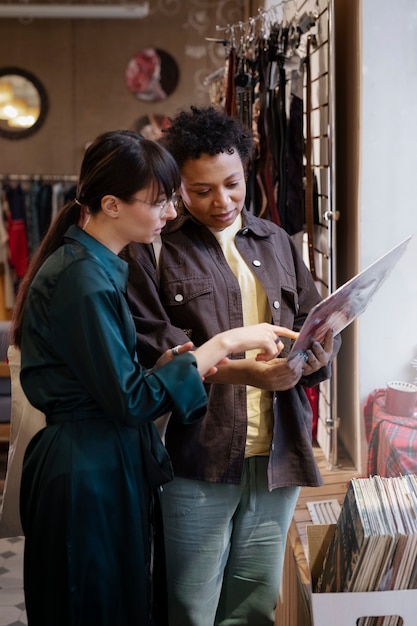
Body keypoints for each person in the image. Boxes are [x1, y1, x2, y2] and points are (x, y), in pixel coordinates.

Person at [11, 129, 288, 626]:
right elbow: (131, 400)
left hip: (102, 461)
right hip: (86, 471)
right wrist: (221, 344)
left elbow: (116, 382)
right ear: (112, 205)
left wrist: (168, 366)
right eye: (160, 201)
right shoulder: (82, 278)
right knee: (91, 604)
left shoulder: (96, 268)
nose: (170, 213)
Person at [121, 106, 341, 626]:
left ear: (246, 168)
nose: (221, 201)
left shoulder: (277, 242)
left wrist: (318, 352)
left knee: (254, 603)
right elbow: (160, 353)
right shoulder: (152, 251)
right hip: (197, 453)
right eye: (201, 191)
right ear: (177, 188)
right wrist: (251, 373)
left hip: (277, 453)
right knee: (190, 605)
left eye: (233, 184)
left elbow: (310, 324)